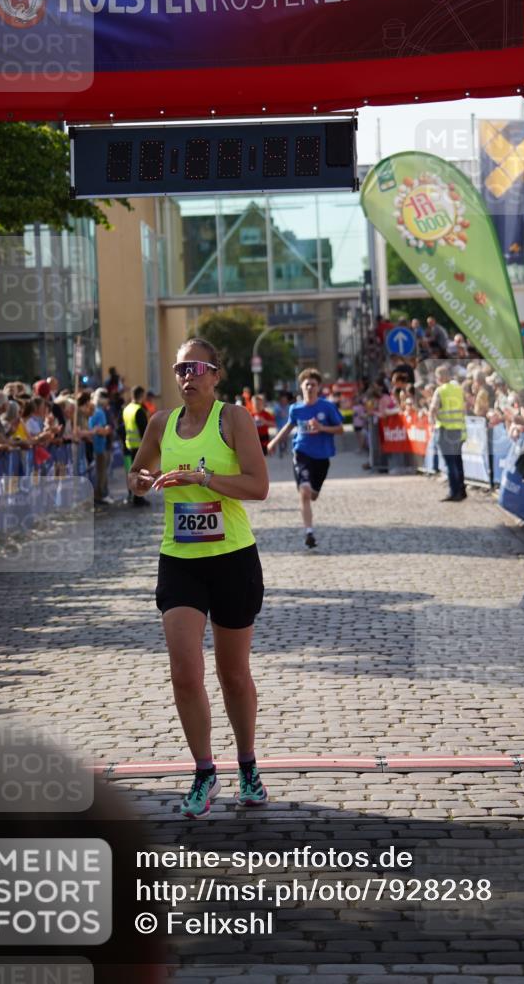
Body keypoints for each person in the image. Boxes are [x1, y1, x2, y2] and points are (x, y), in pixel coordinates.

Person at [127, 338, 269, 819]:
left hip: (232, 558)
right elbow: (137, 475)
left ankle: (247, 765)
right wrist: (140, 481)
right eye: (180, 368)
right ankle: (204, 771)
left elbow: (259, 486)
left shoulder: (234, 419)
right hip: (180, 560)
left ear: (216, 374)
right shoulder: (161, 423)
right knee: (185, 673)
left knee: (234, 674)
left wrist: (203, 479)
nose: (187, 375)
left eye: (196, 367)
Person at [267, 368, 344, 548]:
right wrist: (274, 442)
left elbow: (340, 429)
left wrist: (322, 428)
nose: (310, 387)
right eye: (307, 384)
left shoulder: (327, 407)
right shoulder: (296, 409)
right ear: (301, 387)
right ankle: (309, 532)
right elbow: (288, 427)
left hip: (322, 457)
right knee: (305, 491)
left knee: (313, 494)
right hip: (301, 453)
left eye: (313, 384)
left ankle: (311, 498)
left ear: (318, 387)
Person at [429, 364, 467, 502]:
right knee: (458, 461)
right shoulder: (458, 389)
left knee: (450, 463)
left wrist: (432, 422)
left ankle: (454, 492)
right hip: (458, 430)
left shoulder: (440, 390)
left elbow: (433, 409)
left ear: (440, 377)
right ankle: (462, 491)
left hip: (445, 430)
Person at [122, 386, 149, 505]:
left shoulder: (126, 409)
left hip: (128, 445)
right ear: (141, 395)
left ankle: (131, 494)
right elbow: (145, 431)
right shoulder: (139, 410)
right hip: (139, 447)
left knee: (131, 472)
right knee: (139, 474)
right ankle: (138, 498)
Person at [90, 388, 113, 504]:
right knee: (101, 472)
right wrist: (107, 430)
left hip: (98, 446)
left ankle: (101, 494)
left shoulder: (95, 410)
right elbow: (99, 430)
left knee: (100, 472)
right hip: (101, 446)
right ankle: (100, 495)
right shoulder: (99, 412)